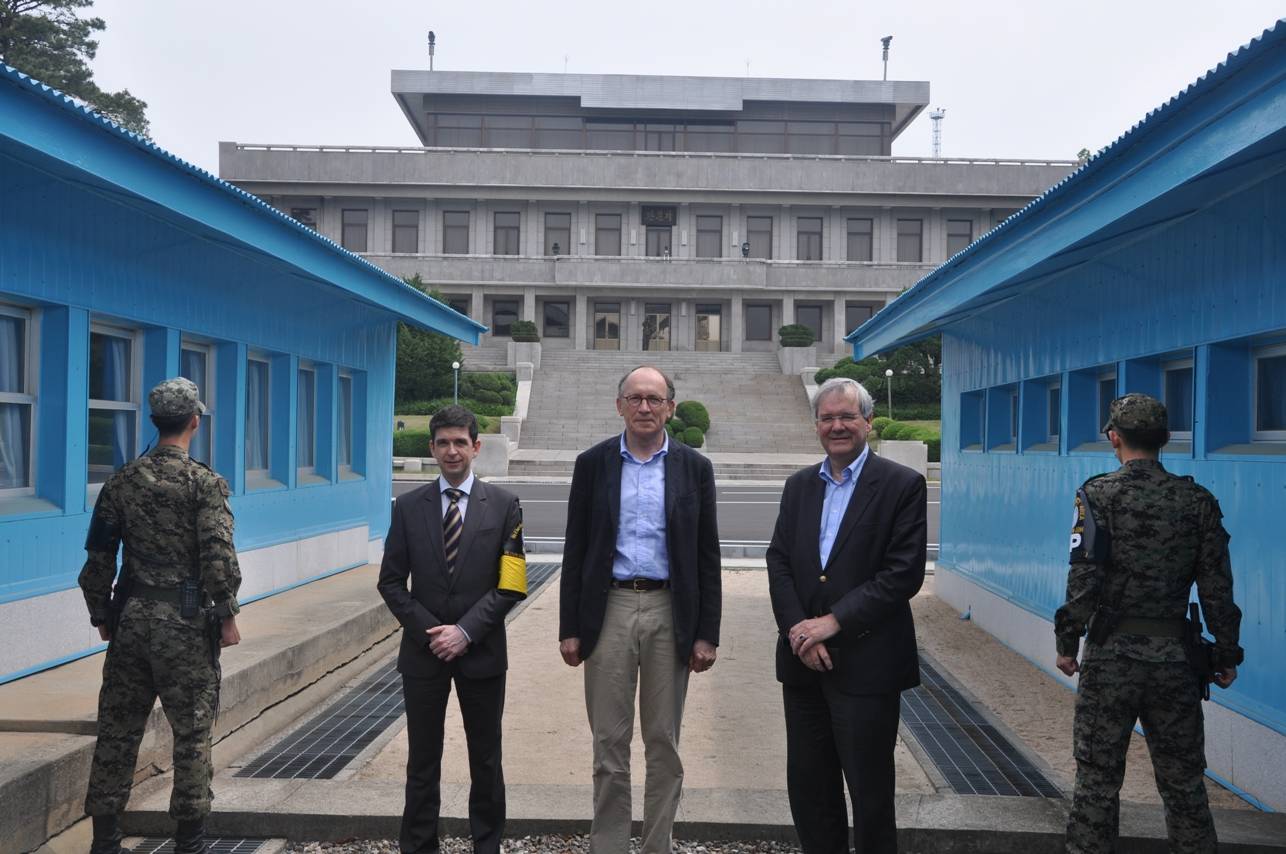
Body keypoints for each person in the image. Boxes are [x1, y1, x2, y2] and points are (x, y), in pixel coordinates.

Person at [1055, 393, 1243, 854]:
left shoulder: (1097, 494)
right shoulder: (1198, 501)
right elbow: (1217, 586)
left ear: (1114, 437)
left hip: (1110, 658)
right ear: (1163, 441)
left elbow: (1084, 577)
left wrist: (1067, 641)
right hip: (1176, 662)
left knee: (1098, 778)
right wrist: (1226, 652)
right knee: (1182, 781)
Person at [559, 365, 721, 854]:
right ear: (619, 406)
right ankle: (607, 845)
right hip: (608, 607)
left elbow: (707, 555)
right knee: (609, 741)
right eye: (635, 398)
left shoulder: (695, 467)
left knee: (663, 742)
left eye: (655, 399)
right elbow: (576, 547)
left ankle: (656, 846)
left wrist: (706, 632)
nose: (645, 407)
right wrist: (570, 627)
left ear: (671, 406)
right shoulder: (593, 463)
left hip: (670, 609)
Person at [79, 377, 242, 854]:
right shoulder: (204, 483)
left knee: (117, 730)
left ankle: (105, 841)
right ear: (195, 421)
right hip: (187, 625)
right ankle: (189, 843)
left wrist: (102, 614)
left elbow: (98, 560)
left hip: (130, 621)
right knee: (190, 734)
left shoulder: (122, 481)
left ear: (155, 421)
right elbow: (217, 556)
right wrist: (228, 613)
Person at [766, 376, 927, 854]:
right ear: (816, 425)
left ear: (867, 423)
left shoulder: (902, 485)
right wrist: (801, 631)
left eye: (847, 417)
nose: (837, 426)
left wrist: (832, 622)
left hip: (867, 665)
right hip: (803, 666)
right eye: (827, 417)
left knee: (870, 792)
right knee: (810, 790)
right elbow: (779, 562)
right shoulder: (798, 487)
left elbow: (902, 574)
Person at [378, 405, 527, 854]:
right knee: (423, 761)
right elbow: (390, 582)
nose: (451, 450)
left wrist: (464, 631)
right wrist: (433, 632)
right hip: (424, 656)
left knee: (485, 758)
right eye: (442, 442)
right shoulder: (406, 508)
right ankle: (419, 846)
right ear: (431, 448)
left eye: (460, 442)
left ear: (476, 447)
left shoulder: (504, 506)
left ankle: (487, 845)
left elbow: (512, 584)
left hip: (481, 654)